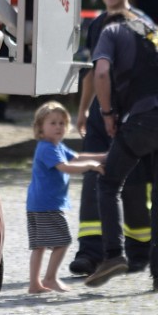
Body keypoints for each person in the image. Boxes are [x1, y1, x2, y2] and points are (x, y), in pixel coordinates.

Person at [84, 9, 158, 293]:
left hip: (143, 121)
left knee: (108, 183)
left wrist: (107, 113)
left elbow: (102, 72)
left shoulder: (111, 31)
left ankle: (114, 255)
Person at [68, 0, 152, 277]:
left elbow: (154, 69)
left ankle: (138, 249)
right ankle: (89, 252)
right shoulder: (97, 24)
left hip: (131, 117)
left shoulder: (142, 24)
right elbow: (93, 71)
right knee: (92, 178)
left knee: (132, 182)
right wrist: (83, 110)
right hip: (100, 117)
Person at [26, 101, 105, 294]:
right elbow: (66, 167)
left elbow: (76, 158)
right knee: (62, 242)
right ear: (40, 127)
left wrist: (105, 157)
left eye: (62, 123)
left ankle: (35, 284)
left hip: (37, 204)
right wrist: (92, 166)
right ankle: (50, 278)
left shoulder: (56, 146)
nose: (58, 127)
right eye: (52, 123)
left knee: (40, 246)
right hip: (48, 205)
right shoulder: (48, 148)